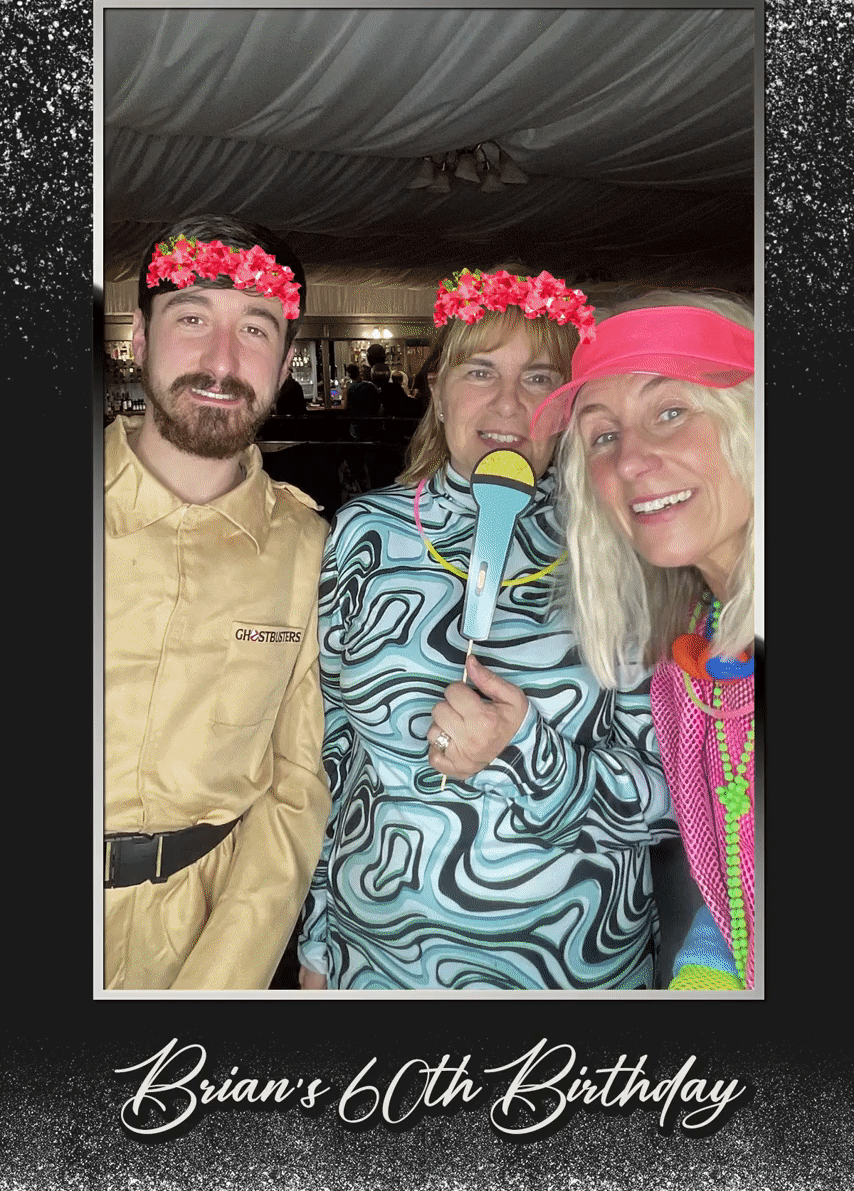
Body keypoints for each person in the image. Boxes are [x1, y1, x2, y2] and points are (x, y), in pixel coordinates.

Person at [297, 268, 677, 990]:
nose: (508, 403)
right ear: (437, 393)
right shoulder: (363, 533)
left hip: (573, 969)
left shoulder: (624, 543)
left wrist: (523, 750)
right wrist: (318, 940)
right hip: (377, 963)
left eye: (539, 378)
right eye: (480, 371)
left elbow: (678, 799)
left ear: (566, 407)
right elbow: (331, 756)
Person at [104, 214, 331, 990]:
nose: (222, 361)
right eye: (193, 318)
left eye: (255, 329)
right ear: (140, 337)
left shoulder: (310, 550)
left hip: (203, 936)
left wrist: (219, 986)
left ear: (288, 363)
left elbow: (297, 788)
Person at [532, 289, 755, 989]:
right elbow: (739, 892)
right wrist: (706, 976)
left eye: (671, 412)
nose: (630, 461)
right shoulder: (691, 656)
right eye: (603, 435)